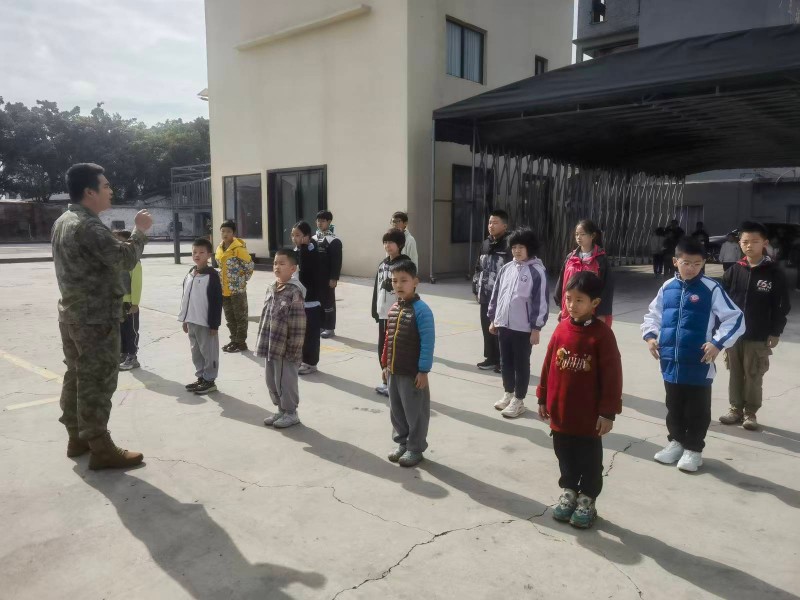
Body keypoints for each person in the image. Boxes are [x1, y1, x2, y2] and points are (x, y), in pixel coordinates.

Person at [52, 162, 153, 469]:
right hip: (95, 318)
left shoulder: (63, 221)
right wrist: (139, 231)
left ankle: (77, 437)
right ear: (89, 192)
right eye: (106, 186)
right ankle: (100, 447)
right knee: (97, 380)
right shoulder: (88, 226)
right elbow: (125, 259)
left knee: (76, 375)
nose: (111, 190)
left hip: (72, 314)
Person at [641, 236, 744, 473]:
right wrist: (650, 337)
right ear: (675, 261)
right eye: (686, 263)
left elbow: (735, 318)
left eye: (697, 264)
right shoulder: (667, 287)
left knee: (697, 409)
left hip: (698, 362)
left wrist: (717, 343)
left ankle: (694, 450)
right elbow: (653, 315)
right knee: (674, 405)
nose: (691, 268)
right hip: (670, 361)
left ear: (703, 263)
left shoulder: (711, 288)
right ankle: (676, 443)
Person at [537, 272, 623, 529]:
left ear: (595, 303)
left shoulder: (602, 335)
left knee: (589, 459)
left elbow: (612, 376)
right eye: (568, 298)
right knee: (564, 454)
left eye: (579, 300)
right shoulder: (561, 329)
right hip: (561, 412)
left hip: (588, 417)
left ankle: (587, 498)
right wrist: (542, 396)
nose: (572, 305)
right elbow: (548, 365)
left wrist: (607, 412)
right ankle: (570, 491)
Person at [720, 222, 791, 431]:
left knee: (753, 374)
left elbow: (782, 305)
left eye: (754, 241)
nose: (749, 245)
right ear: (739, 243)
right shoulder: (734, 271)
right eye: (745, 242)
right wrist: (721, 329)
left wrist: (775, 331)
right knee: (734, 372)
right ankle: (735, 409)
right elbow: (721, 302)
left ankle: (750, 412)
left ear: (765, 243)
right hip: (734, 335)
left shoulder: (774, 273)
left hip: (758, 334)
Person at [487, 228, 549, 418]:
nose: (517, 251)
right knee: (505, 361)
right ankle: (509, 393)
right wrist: (493, 318)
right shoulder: (506, 268)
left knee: (521, 364)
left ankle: (519, 400)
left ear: (530, 248)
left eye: (521, 247)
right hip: (504, 325)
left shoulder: (537, 271)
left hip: (523, 328)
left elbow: (540, 301)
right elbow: (497, 295)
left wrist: (536, 328)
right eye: (514, 247)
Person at [382, 260, 435, 467]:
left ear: (415, 282)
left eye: (403, 280)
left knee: (415, 413)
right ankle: (402, 443)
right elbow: (388, 339)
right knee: (397, 411)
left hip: (412, 374)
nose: (398, 285)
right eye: (394, 281)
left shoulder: (422, 310)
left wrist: (423, 371)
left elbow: (428, 343)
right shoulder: (394, 308)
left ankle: (415, 448)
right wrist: (385, 365)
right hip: (394, 371)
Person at [257, 248, 307, 429]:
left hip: (286, 348)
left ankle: (291, 412)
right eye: (275, 263)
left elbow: (299, 324)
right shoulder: (272, 287)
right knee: (271, 379)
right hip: (271, 344)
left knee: (286, 381)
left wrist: (294, 349)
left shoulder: (295, 292)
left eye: (282, 263)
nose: (277, 266)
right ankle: (281, 409)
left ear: (293, 268)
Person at [179, 238, 223, 395]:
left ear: (209, 255)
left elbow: (217, 301)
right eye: (194, 252)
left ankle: (210, 380)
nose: (197, 255)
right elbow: (185, 297)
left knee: (208, 352)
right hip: (192, 320)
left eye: (201, 252)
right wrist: (185, 319)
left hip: (205, 323)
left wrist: (214, 324)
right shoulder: (190, 273)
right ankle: (201, 377)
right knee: (196, 352)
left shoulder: (212, 276)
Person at [372, 228, 411, 396]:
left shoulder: (404, 264)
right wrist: (375, 310)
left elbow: (408, 290)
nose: (387, 245)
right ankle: (386, 380)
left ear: (400, 244)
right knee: (383, 347)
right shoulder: (383, 264)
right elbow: (377, 288)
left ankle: (394, 384)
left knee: (395, 349)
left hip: (397, 313)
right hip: (383, 314)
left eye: (391, 242)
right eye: (385, 242)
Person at [554, 219, 614, 326]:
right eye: (577, 234)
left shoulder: (601, 259)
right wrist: (562, 307)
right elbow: (562, 283)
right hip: (571, 310)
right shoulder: (570, 258)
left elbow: (607, 289)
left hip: (591, 312)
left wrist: (601, 313)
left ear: (592, 236)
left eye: (582, 234)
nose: (578, 237)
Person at [472, 209, 511, 373]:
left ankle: (504, 361)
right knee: (486, 326)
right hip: (485, 294)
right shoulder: (485, 243)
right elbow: (478, 267)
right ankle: (491, 358)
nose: (491, 226)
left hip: (502, 295)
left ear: (504, 225)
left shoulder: (509, 244)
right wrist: (476, 288)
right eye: (490, 222)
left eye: (495, 222)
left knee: (502, 329)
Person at [292, 221, 327, 375]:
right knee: (300, 333)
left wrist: (304, 248)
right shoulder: (298, 251)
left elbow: (311, 275)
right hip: (299, 298)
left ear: (307, 236)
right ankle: (302, 360)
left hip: (311, 299)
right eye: (293, 235)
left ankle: (311, 363)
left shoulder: (312, 251)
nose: (294, 238)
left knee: (311, 334)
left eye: (298, 235)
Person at [215, 220, 254, 353]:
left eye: (228, 231)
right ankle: (234, 340)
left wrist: (241, 280)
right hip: (224, 290)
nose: (225, 234)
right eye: (223, 231)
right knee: (230, 317)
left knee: (240, 317)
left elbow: (249, 266)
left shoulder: (239, 249)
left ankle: (241, 343)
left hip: (237, 290)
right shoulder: (219, 248)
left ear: (233, 233)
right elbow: (220, 266)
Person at [114, 229, 142, 371]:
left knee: (131, 331)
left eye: (119, 241)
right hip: (118, 301)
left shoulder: (134, 262)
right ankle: (123, 353)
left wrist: (135, 303)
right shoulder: (116, 261)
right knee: (121, 330)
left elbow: (136, 283)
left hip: (129, 302)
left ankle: (132, 356)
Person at [315, 210, 343, 339]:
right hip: (316, 278)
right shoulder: (313, 239)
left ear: (329, 222)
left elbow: (337, 262)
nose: (320, 223)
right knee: (318, 302)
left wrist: (334, 278)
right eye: (318, 220)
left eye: (323, 221)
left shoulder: (334, 241)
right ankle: (321, 325)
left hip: (327, 279)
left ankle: (330, 328)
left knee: (328, 303)